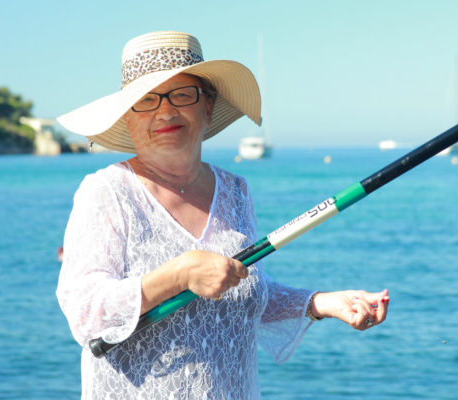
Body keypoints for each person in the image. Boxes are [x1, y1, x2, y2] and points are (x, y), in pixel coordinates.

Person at [56, 31, 389, 399]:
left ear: (208, 106)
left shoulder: (235, 190)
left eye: (182, 94)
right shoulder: (107, 191)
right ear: (128, 118)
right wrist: (179, 274)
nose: (165, 111)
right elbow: (84, 311)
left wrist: (319, 303)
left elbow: (241, 289)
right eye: (146, 100)